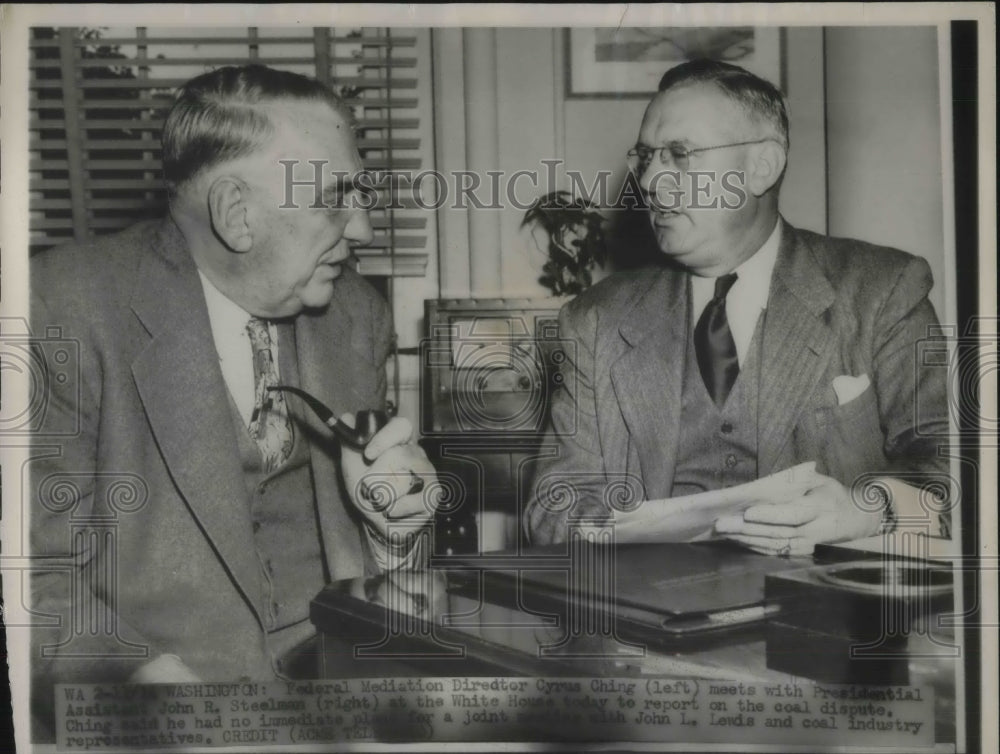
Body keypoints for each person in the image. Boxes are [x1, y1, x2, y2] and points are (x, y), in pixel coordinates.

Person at [29, 65, 438, 734]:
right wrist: (153, 694)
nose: (362, 227)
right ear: (236, 213)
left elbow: (385, 594)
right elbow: (35, 584)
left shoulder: (356, 319)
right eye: (336, 197)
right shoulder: (62, 307)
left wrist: (392, 536)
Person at [524, 59, 950, 551]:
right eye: (646, 157)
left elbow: (953, 473)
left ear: (761, 167)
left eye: (679, 154)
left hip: (822, 615)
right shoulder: (595, 320)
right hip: (651, 616)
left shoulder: (882, 289)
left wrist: (866, 509)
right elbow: (551, 509)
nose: (650, 180)